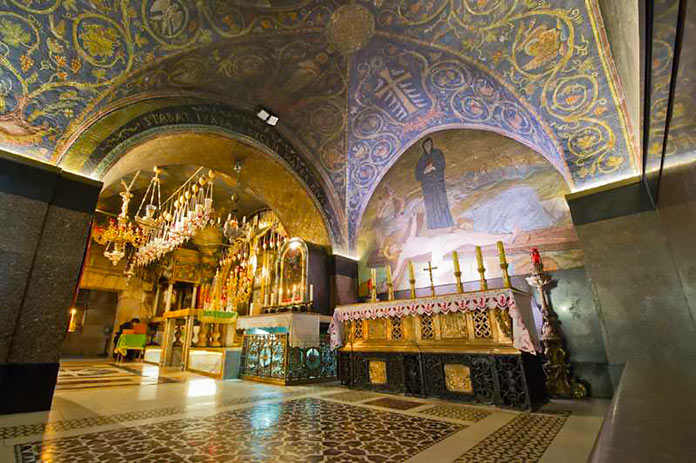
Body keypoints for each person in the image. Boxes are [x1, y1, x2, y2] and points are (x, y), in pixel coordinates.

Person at [415, 137, 454, 230]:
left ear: (431, 144)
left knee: (441, 201)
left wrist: (434, 167)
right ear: (423, 147)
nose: (428, 146)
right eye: (426, 145)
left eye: (429, 144)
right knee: (431, 205)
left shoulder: (437, 153)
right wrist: (425, 170)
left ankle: (446, 222)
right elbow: (417, 175)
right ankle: (433, 225)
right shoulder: (421, 159)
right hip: (428, 186)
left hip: (438, 182)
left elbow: (442, 164)